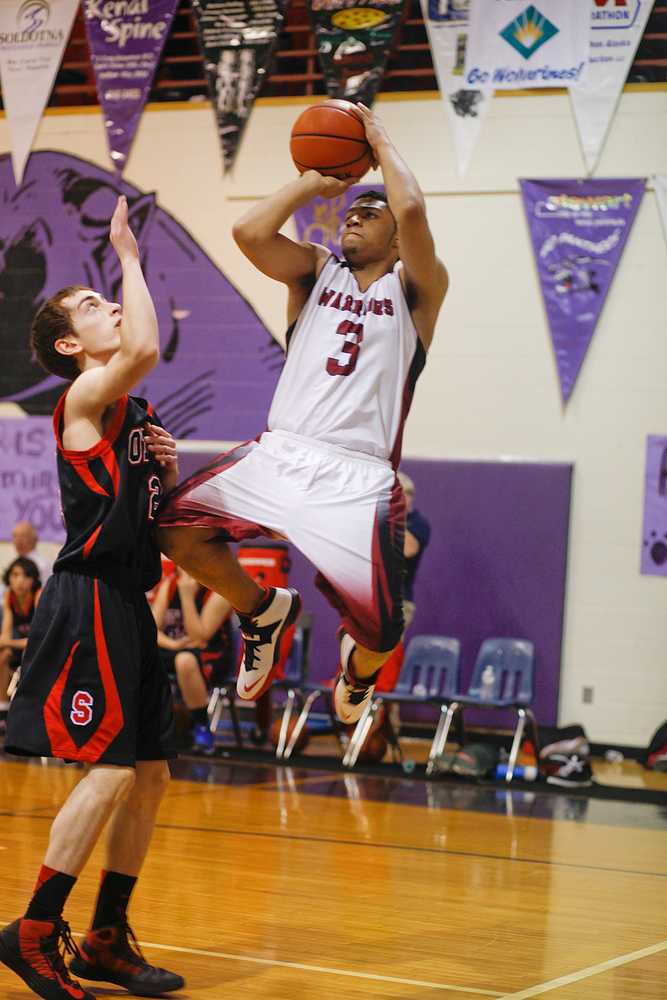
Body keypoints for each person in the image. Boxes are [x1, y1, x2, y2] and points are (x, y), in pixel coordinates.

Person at [157, 103, 448, 724]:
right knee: (174, 531)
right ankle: (261, 610)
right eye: (351, 210)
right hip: (282, 451)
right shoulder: (316, 271)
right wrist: (317, 180)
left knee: (382, 630)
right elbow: (248, 233)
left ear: (398, 241)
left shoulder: (417, 291)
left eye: (371, 213)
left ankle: (357, 675)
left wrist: (376, 138)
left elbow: (415, 209)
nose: (354, 216)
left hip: (358, 476)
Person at [0, 196, 185, 1000]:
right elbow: (144, 343)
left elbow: (157, 521)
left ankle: (105, 936)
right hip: (86, 601)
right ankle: (33, 931)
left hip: (130, 600)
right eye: (93, 303)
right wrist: (130, 255)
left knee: (149, 776)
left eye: (110, 291)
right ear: (71, 346)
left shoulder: (135, 413)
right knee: (109, 772)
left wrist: (168, 476)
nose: (112, 302)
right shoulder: (80, 400)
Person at [150, 563, 233, 754]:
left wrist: (187, 596)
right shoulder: (169, 584)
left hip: (211, 654)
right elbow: (150, 628)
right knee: (137, 656)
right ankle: (140, 725)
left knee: (184, 661)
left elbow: (199, 638)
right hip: (175, 647)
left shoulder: (220, 590)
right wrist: (174, 645)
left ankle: (201, 726)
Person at [0, 557, 42, 736]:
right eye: (15, 575)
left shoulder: (39, 595)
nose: (19, 580)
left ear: (33, 580)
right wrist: (5, 644)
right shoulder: (9, 595)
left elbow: (37, 638)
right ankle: (3, 708)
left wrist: (6, 642)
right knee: (4, 655)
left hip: (42, 645)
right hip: (21, 643)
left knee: (27, 653)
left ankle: (27, 711)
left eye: (25, 576)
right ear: (9, 578)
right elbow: (6, 633)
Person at [398, 470, 431, 630]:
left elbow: (408, 550)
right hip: (373, 599)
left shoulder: (418, 523)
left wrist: (395, 517)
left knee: (389, 652)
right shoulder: (379, 520)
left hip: (399, 601)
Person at [9, 521, 53, 588]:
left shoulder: (43, 565)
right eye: (15, 536)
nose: (18, 541)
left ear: (35, 539)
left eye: (23, 536)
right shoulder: (13, 563)